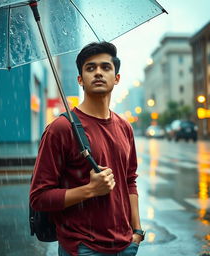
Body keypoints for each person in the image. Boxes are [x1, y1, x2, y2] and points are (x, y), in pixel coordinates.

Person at [30, 42, 145, 256]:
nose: (98, 73)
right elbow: (39, 197)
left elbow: (130, 180)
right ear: (80, 80)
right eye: (90, 68)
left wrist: (136, 232)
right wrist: (90, 190)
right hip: (82, 247)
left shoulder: (125, 127)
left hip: (126, 245)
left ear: (117, 78)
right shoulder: (61, 128)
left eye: (105, 67)